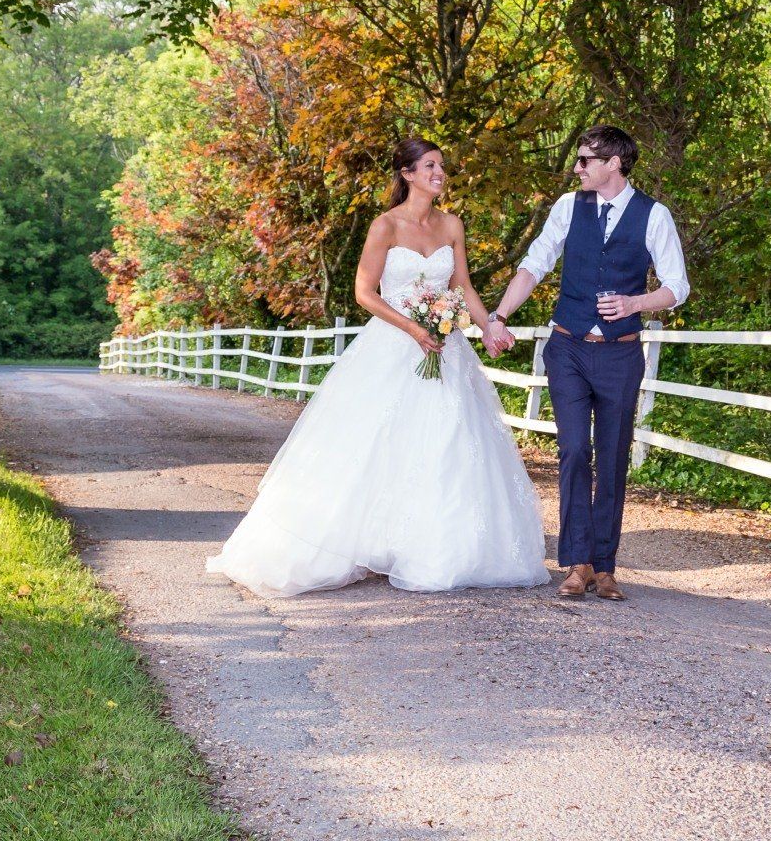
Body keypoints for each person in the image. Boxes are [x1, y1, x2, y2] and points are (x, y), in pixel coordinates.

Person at [205, 137, 549, 597]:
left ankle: (434, 548)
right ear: (407, 174)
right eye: (430, 166)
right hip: (395, 343)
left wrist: (489, 327)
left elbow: (462, 286)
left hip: (444, 346)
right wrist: (411, 327)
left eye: (441, 166)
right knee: (374, 443)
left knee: (447, 440)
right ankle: (361, 543)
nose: (439, 173)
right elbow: (365, 292)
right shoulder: (385, 226)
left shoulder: (452, 225)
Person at [484, 125, 689, 600]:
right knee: (575, 450)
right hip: (568, 348)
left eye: (585, 160)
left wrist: (636, 303)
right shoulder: (566, 208)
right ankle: (577, 564)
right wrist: (498, 316)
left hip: (620, 354)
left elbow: (677, 287)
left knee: (613, 457)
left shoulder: (654, 215)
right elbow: (534, 265)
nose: (577, 168)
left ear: (613, 163)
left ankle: (606, 566)